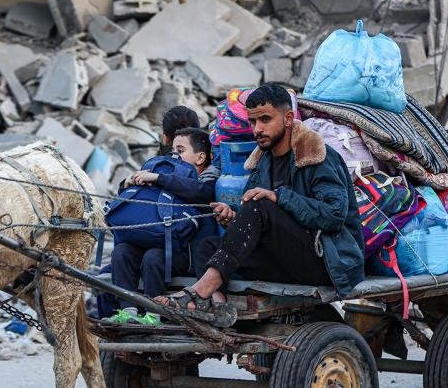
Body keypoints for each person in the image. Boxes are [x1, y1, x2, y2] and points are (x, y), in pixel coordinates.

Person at [154, 84, 366, 311]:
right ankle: (216, 305)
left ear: (288, 118)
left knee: (260, 204)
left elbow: (334, 215)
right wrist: (232, 217)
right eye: (253, 122)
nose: (257, 129)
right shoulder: (263, 161)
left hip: (325, 260)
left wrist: (278, 197)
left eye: (265, 119)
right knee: (207, 246)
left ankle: (201, 289)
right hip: (284, 258)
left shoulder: (317, 156)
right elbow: (259, 221)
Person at [107, 128, 218, 323]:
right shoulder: (167, 174)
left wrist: (159, 178)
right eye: (173, 150)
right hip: (158, 242)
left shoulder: (208, 177)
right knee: (122, 252)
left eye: (181, 150)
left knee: (153, 256)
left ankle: (154, 312)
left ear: (200, 158)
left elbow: (201, 193)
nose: (174, 155)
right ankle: (128, 311)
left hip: (188, 256)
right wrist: (128, 182)